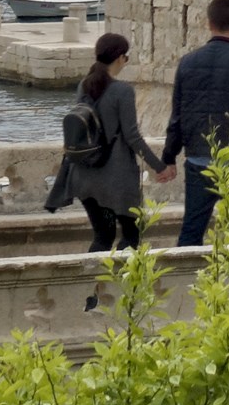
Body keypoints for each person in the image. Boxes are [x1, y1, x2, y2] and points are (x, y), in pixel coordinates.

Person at [159, 0, 229, 247]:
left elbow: (178, 116)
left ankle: (187, 282)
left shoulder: (187, 63)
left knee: (192, 231)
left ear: (208, 23)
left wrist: (168, 156)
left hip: (198, 159)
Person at [46, 32, 154, 252]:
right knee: (131, 238)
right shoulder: (123, 91)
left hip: (85, 178)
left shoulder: (84, 85)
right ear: (120, 58)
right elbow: (132, 136)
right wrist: (159, 166)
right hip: (115, 182)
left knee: (103, 237)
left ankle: (96, 285)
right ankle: (125, 285)